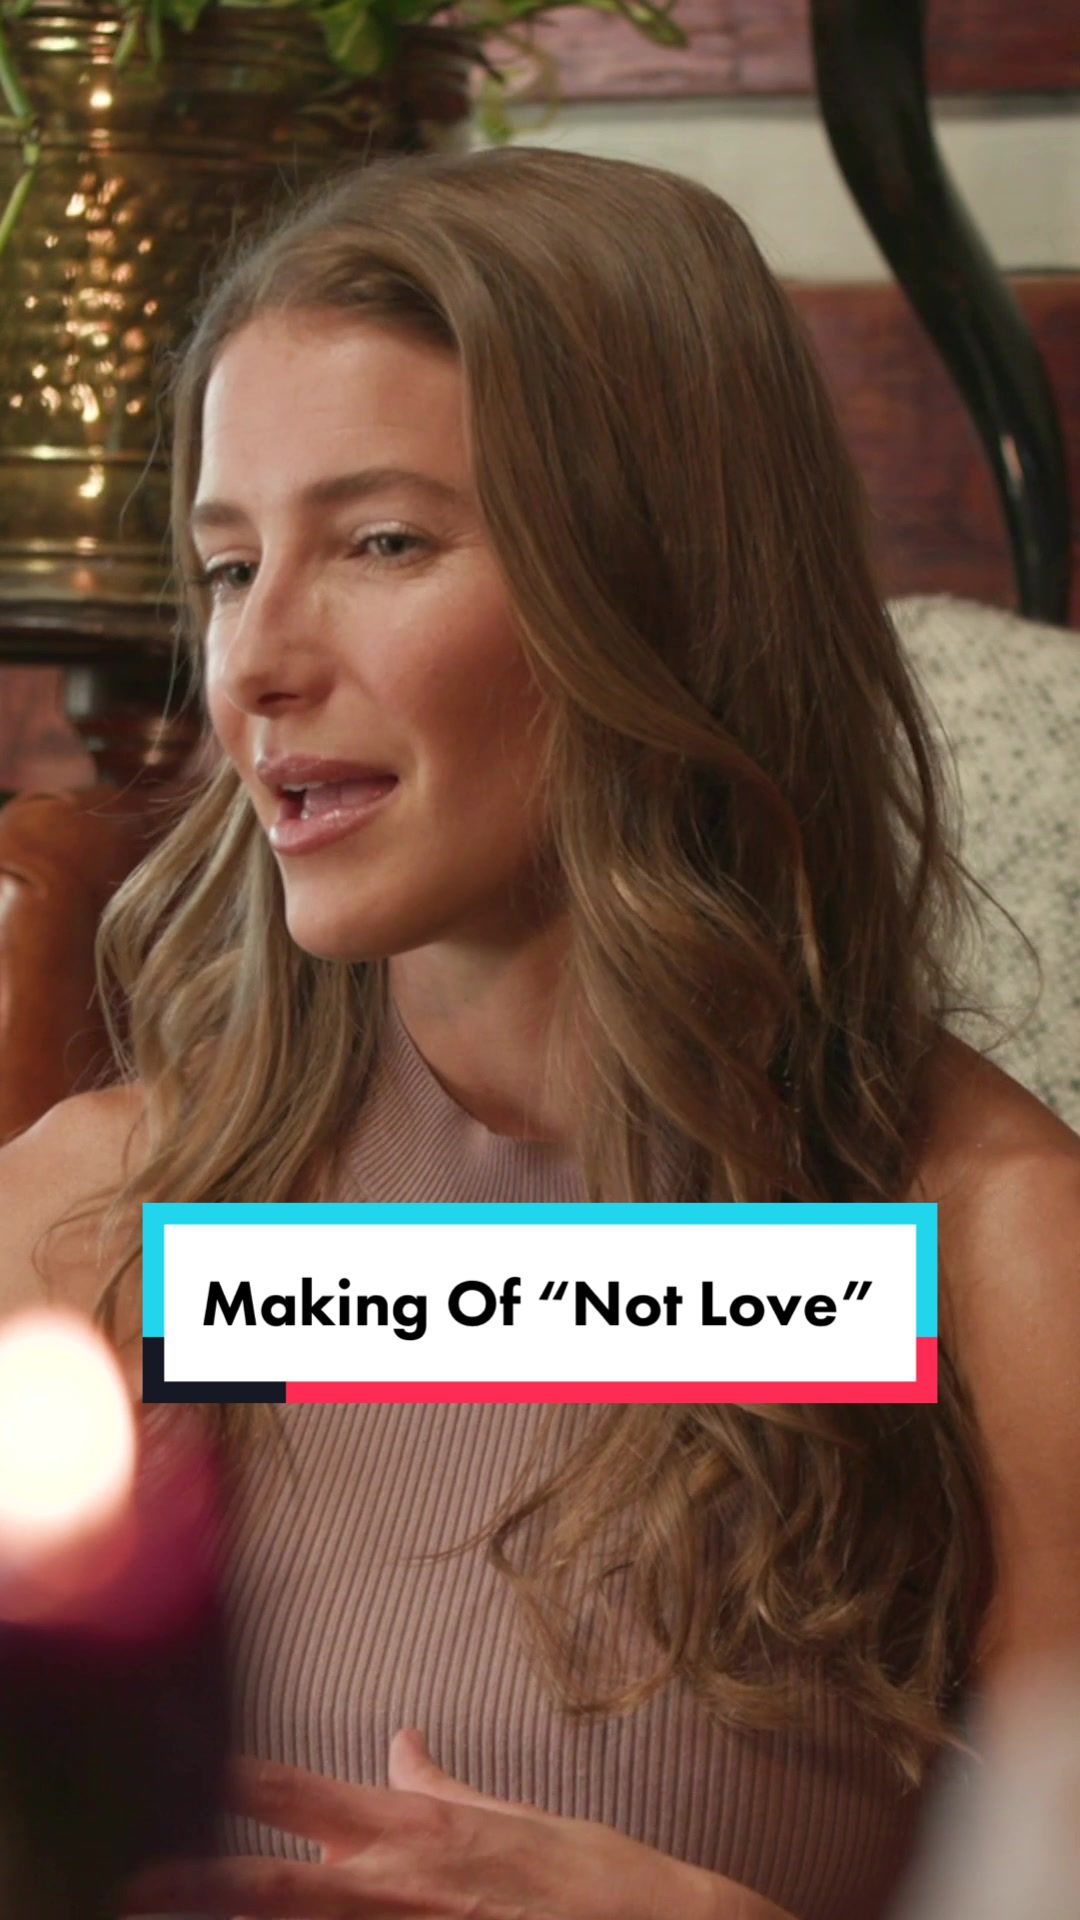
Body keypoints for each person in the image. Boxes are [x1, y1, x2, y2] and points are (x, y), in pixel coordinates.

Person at [1, 145, 1077, 1920]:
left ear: (661, 585)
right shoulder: (94, 1230)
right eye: (228, 565)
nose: (256, 662)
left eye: (384, 543)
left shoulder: (991, 1258)